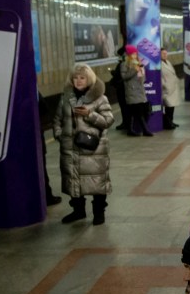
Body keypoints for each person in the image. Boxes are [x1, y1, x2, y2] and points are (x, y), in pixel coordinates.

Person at [52, 63, 115, 225]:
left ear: (89, 79)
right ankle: (78, 211)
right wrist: (60, 136)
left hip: (93, 149)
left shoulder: (100, 98)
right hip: (70, 149)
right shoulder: (66, 98)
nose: (78, 81)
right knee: (74, 181)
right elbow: (57, 119)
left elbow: (108, 121)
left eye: (82, 77)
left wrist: (90, 114)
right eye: (75, 77)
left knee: (97, 183)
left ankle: (99, 213)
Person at [120, 44, 153, 136]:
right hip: (132, 91)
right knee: (138, 112)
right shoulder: (124, 64)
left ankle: (130, 130)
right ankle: (145, 130)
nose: (135, 56)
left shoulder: (138, 63)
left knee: (140, 111)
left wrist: (142, 71)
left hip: (140, 90)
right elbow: (124, 76)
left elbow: (143, 79)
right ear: (129, 55)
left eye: (136, 54)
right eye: (133, 54)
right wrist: (134, 70)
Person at [109, 47, 130, 131]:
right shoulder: (123, 63)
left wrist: (113, 72)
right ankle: (125, 122)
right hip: (122, 88)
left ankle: (126, 123)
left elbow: (121, 75)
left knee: (124, 106)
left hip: (122, 88)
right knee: (124, 107)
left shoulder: (123, 64)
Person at [160, 49, 180, 130]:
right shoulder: (159, 64)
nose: (165, 55)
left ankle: (171, 121)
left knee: (172, 107)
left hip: (173, 87)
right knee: (168, 106)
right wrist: (165, 85)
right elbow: (160, 77)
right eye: (163, 53)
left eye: (166, 53)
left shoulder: (167, 62)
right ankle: (168, 123)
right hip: (166, 88)